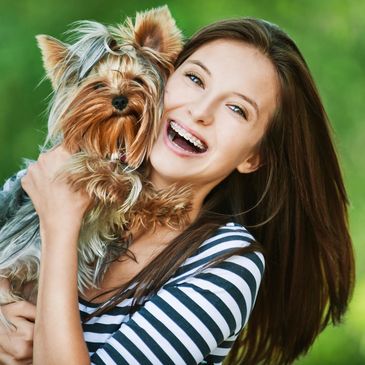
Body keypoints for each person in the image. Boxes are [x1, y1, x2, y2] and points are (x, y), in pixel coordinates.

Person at [0, 16, 354, 365]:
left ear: (254, 157)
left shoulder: (227, 265)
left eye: (236, 108)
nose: (200, 111)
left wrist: (60, 225)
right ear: (164, 75)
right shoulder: (53, 183)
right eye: (195, 79)